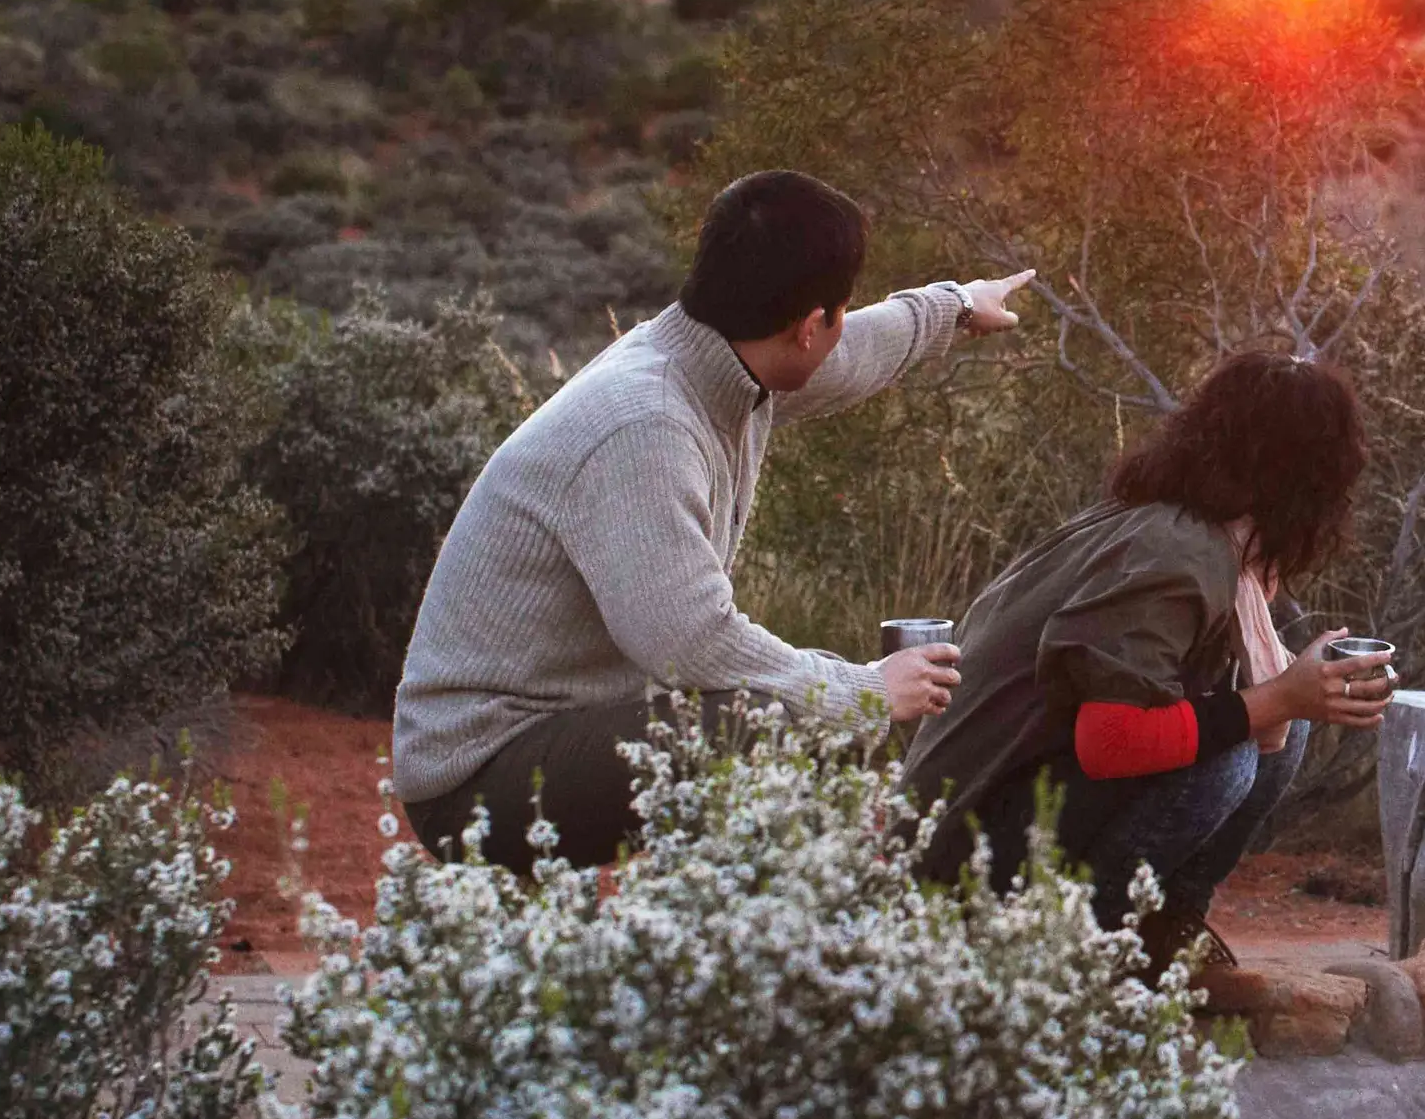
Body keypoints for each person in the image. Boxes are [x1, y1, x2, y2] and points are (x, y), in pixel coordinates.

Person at [393, 170, 1031, 868]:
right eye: (838, 313)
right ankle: (753, 957)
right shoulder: (644, 424)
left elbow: (850, 356)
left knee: (773, 719)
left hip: (557, 729)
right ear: (808, 326)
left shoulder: (719, 361)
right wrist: (865, 691)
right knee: (759, 731)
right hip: (477, 771)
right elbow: (691, 644)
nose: (840, 330)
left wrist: (957, 307)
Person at [903, 350, 1393, 968]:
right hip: (961, 850)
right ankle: (1088, 942)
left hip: (1013, 806)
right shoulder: (1176, 552)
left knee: (1273, 729)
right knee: (1234, 753)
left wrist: (1288, 692)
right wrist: (1281, 697)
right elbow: (1108, 740)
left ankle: (1168, 921)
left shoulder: (1197, 536)